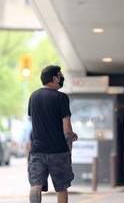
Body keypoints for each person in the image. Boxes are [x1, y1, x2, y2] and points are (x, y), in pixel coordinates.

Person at [27, 65, 78, 203]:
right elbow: (66, 127)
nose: (62, 79)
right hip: (58, 151)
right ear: (54, 78)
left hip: (37, 150)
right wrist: (69, 149)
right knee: (61, 187)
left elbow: (36, 122)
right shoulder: (61, 98)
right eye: (60, 76)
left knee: (35, 185)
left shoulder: (33, 96)